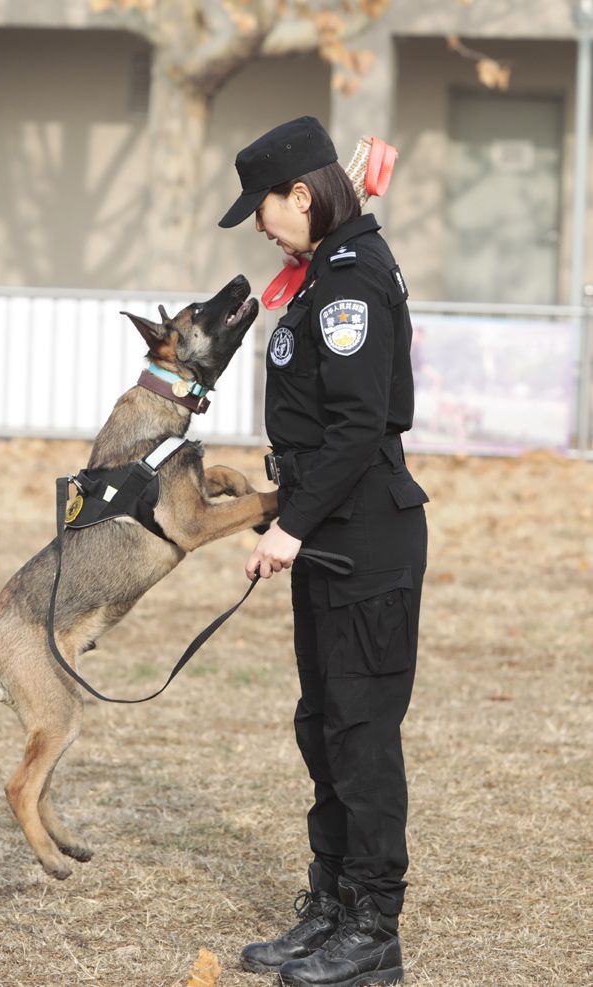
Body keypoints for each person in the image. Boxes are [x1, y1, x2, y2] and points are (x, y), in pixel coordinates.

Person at [218, 117, 428, 987]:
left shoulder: (352, 279)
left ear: (301, 194)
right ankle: (331, 903)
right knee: (323, 725)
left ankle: (373, 926)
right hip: (329, 532)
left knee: (361, 733)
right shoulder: (320, 274)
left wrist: (290, 527)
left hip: (362, 533)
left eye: (263, 210)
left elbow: (354, 428)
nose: (261, 226)